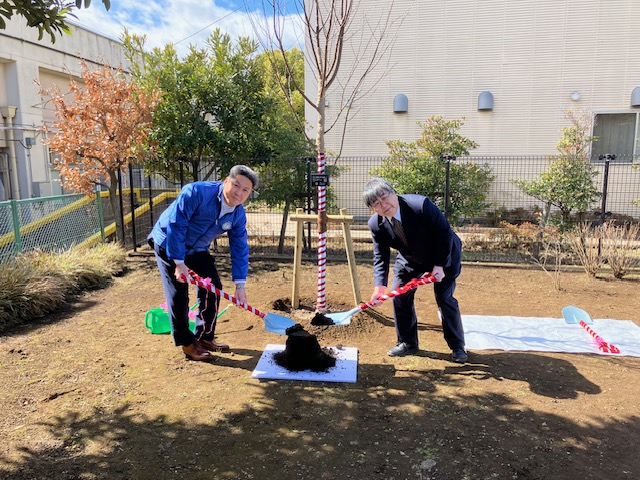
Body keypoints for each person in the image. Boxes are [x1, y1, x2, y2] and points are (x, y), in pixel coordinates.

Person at [148, 165, 259, 361]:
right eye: (236, 185)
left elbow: (240, 248)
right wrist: (179, 262)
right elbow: (177, 224)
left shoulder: (237, 215)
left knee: (213, 288)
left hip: (197, 248)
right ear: (226, 181)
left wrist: (240, 285)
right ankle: (188, 344)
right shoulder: (196, 192)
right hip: (168, 241)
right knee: (179, 294)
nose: (238, 193)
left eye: (245, 190)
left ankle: (205, 336)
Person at [363, 178, 468, 363]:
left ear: (394, 193)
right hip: (410, 259)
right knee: (399, 295)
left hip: (444, 254)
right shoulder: (375, 224)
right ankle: (407, 343)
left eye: (385, 197)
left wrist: (439, 265)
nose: (383, 205)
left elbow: (444, 233)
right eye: (376, 204)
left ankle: (458, 346)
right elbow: (381, 256)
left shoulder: (420, 205)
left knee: (444, 298)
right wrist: (379, 287)